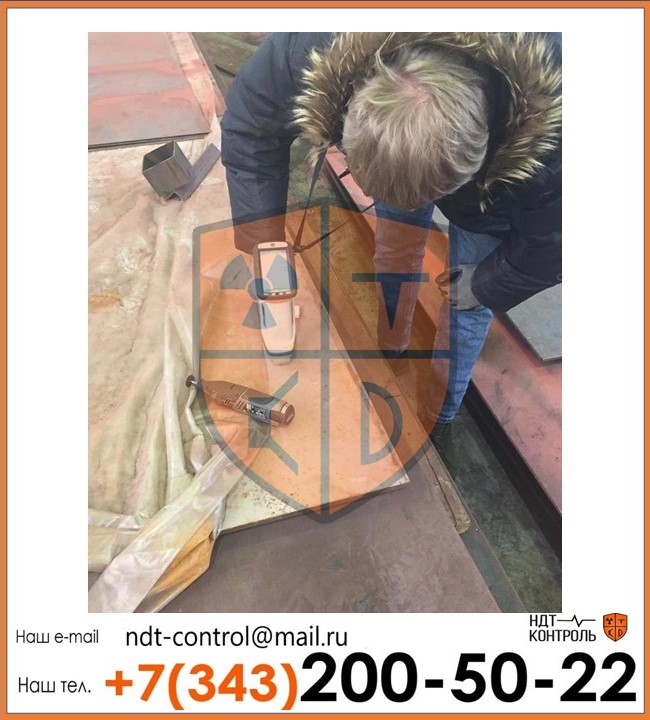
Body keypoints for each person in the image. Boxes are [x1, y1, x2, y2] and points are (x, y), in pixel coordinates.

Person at [220, 32, 562, 441]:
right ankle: (392, 345)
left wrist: (487, 282)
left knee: (468, 305)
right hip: (431, 155)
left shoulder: (560, 131)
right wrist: (267, 248)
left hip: (496, 196)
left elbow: (556, 243)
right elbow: (251, 132)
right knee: (394, 249)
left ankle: (439, 414)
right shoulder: (310, 46)